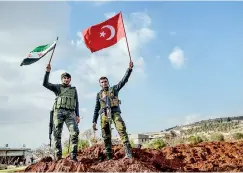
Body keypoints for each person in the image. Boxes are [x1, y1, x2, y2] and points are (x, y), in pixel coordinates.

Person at [92, 61, 134, 160]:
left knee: (121, 130)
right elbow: (96, 108)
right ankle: (109, 156)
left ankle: (128, 153)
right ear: (100, 84)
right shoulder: (98, 94)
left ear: (108, 82)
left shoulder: (114, 89)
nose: (104, 83)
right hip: (104, 115)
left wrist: (129, 70)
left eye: (105, 81)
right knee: (106, 135)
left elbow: (123, 81)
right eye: (102, 82)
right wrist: (94, 121)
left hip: (115, 112)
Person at [43, 64, 80, 161]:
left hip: (70, 113)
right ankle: (58, 158)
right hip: (58, 112)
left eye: (68, 78)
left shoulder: (73, 90)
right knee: (57, 134)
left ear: (70, 80)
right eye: (64, 78)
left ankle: (73, 157)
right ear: (62, 79)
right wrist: (47, 72)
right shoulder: (57, 87)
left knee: (75, 132)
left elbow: (76, 102)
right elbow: (45, 84)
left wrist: (78, 115)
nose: (66, 80)